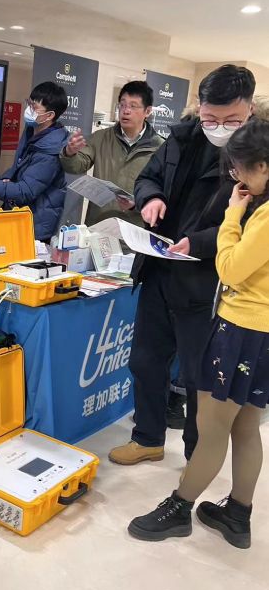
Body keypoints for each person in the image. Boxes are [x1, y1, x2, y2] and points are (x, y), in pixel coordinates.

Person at [128, 119, 269, 548]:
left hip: (241, 330)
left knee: (212, 429)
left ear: (263, 167)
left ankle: (179, 507)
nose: (235, 177)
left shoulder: (263, 215)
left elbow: (230, 267)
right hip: (261, 336)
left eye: (239, 168)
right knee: (246, 426)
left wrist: (233, 215)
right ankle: (238, 514)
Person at [109, 64, 255, 466]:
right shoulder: (183, 136)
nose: (219, 128)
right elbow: (148, 177)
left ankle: (197, 456)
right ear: (199, 108)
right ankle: (147, 438)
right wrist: (150, 198)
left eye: (231, 120)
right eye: (210, 118)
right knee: (145, 360)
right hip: (159, 267)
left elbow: (254, 222)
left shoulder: (258, 152)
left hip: (207, 280)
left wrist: (201, 243)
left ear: (249, 109)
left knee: (198, 377)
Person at [0, 81, 68, 242]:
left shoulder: (51, 151)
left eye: (34, 107)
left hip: (34, 229)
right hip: (18, 220)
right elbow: (18, 168)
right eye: (29, 103)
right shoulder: (31, 131)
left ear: (49, 115)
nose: (29, 109)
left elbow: (25, 192)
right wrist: (5, 180)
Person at [60, 81, 164, 226]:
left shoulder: (160, 147)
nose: (126, 111)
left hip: (136, 228)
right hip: (99, 224)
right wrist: (70, 153)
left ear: (147, 111)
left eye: (133, 106)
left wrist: (137, 204)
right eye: (122, 105)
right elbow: (77, 166)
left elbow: (163, 193)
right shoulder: (101, 137)